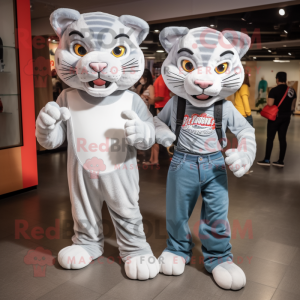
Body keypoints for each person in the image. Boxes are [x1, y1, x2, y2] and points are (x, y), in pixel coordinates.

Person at [258, 72, 297, 167]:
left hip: (275, 117)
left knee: (270, 138)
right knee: (282, 138)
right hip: (286, 117)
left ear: (277, 79)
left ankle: (267, 160)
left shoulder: (274, 90)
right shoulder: (292, 91)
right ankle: (280, 161)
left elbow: (270, 104)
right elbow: (293, 107)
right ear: (286, 79)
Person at [143, 74, 171, 165]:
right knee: (154, 133)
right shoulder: (162, 79)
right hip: (159, 107)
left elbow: (161, 97)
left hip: (161, 107)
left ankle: (155, 160)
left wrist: (150, 100)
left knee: (156, 134)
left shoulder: (162, 79)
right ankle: (152, 159)